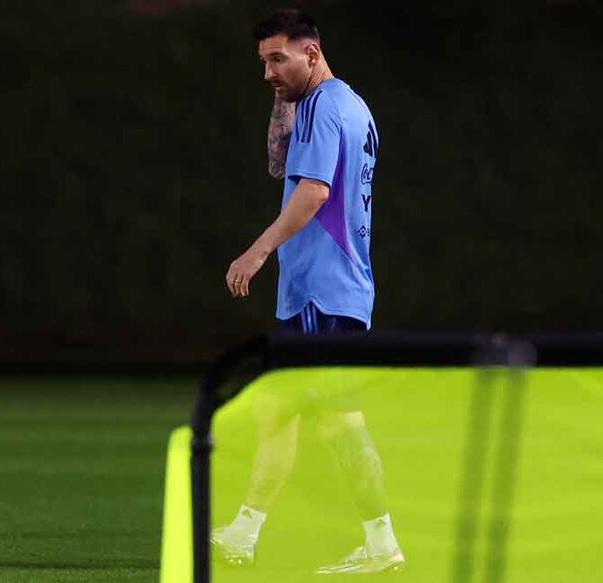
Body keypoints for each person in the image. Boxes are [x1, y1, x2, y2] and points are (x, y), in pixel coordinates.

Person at [215, 7, 404, 575]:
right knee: (281, 413)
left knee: (338, 422)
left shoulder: (324, 108)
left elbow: (313, 192)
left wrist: (258, 249)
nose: (268, 72)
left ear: (311, 53)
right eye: (263, 61)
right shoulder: (345, 104)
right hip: (326, 291)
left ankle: (381, 542)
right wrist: (283, 89)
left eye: (278, 59)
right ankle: (245, 534)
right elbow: (281, 167)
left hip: (323, 290)